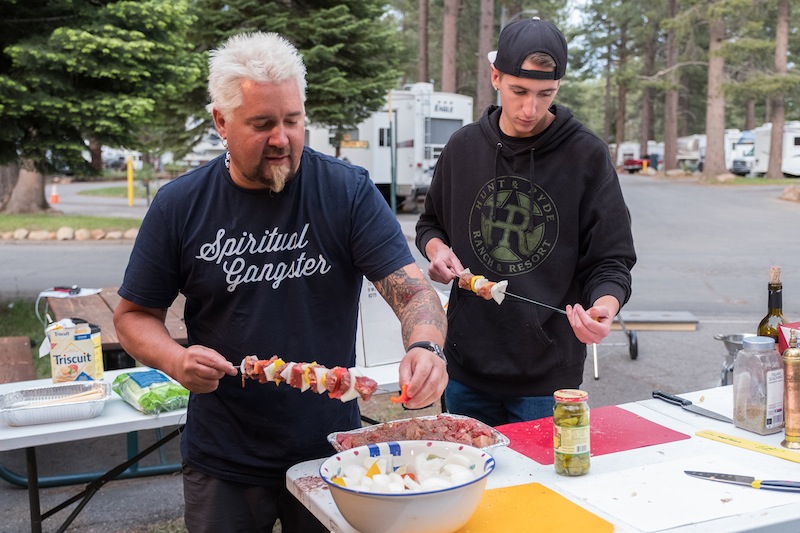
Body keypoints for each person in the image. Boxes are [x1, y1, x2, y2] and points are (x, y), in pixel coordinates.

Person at [113, 31, 448, 533]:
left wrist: (426, 347)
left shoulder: (346, 192)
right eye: (262, 123)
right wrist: (175, 359)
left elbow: (414, 291)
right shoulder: (180, 205)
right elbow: (134, 316)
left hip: (328, 453)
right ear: (220, 123)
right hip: (222, 455)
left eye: (292, 120)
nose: (281, 138)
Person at [415, 17, 636, 427]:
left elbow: (612, 260)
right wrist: (437, 250)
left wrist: (604, 307)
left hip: (546, 378)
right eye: (519, 91)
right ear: (496, 77)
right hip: (465, 367)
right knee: (472, 486)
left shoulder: (586, 156)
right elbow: (430, 224)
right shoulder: (463, 148)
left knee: (541, 488)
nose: (530, 109)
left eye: (544, 94)